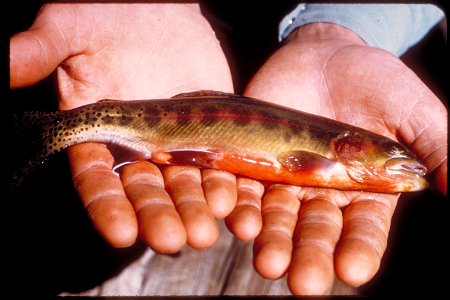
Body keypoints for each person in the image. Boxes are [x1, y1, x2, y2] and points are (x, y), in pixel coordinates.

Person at [9, 2, 447, 296]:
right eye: (388, 152)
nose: (404, 164)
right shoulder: (325, 159)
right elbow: (296, 164)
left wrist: (335, 26)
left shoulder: (334, 155)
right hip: (164, 44)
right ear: (351, 146)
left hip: (280, 36)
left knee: (98, 249)